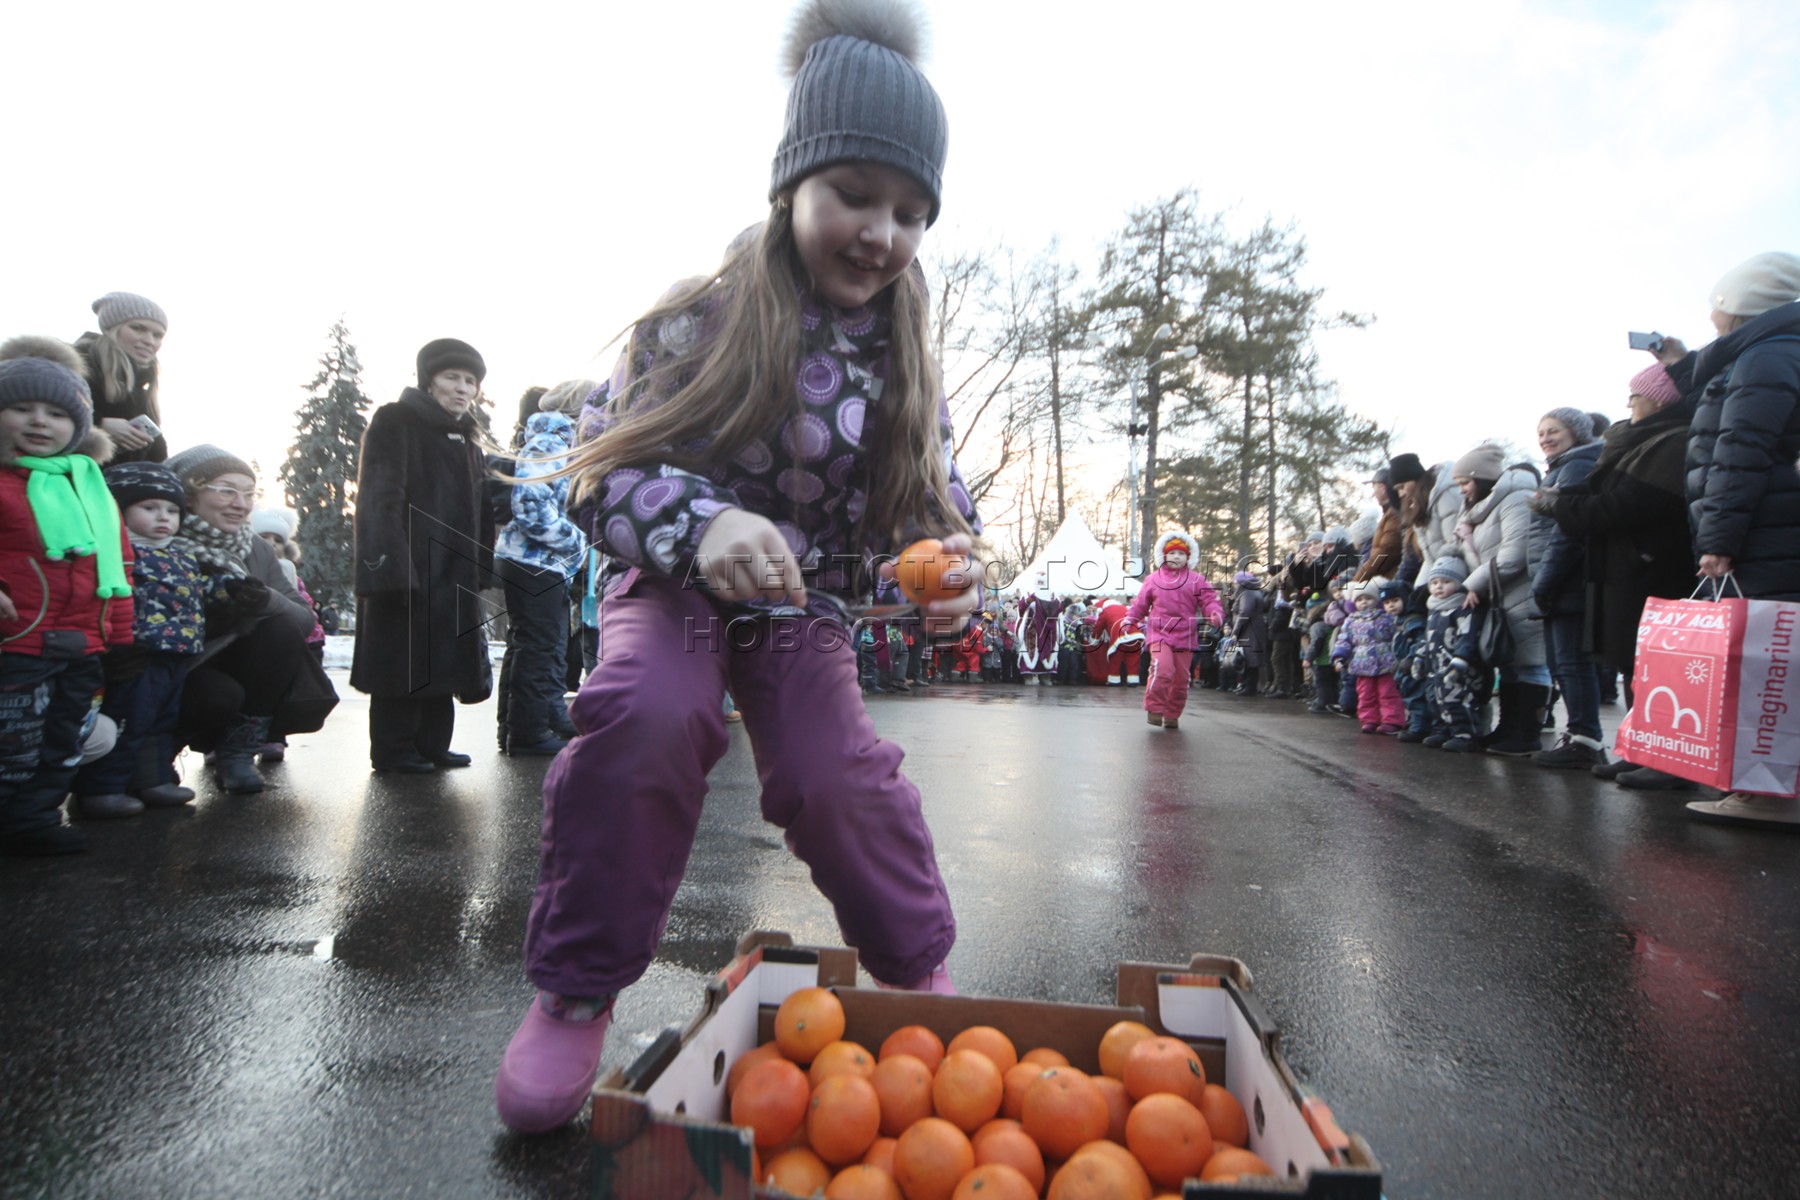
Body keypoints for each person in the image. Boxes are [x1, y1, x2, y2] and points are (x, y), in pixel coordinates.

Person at [493, 0, 981, 1134]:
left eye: (912, 212)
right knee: (647, 717)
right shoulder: (692, 323)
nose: (883, 234)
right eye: (855, 195)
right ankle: (576, 989)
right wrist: (700, 524)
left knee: (836, 772)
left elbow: (930, 507)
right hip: (673, 588)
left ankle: (919, 972)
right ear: (791, 186)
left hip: (797, 613)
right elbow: (597, 473)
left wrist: (948, 567)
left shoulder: (909, 358)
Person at [1657, 252, 1800, 825]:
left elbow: (1740, 451)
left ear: (1738, 307)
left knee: (1766, 663)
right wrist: (1680, 364)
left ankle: (1770, 793)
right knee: (1773, 658)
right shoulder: (1766, 353)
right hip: (1770, 526)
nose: (1711, 315)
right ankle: (1767, 786)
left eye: (1717, 305)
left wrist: (1718, 538)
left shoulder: (1766, 356)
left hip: (1764, 530)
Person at [0, 336, 133, 855]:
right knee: (13, 737)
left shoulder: (90, 486)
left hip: (81, 642)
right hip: (18, 640)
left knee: (63, 736)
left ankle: (34, 819)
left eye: (56, 413)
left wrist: (117, 634)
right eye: (20, 408)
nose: (39, 421)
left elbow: (118, 562)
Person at [1533, 363, 1697, 785]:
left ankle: (1667, 760)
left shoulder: (1672, 442)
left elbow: (1627, 505)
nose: (1629, 403)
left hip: (1651, 567)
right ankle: (1643, 750)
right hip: (1626, 568)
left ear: (1657, 399)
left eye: (1635, 394)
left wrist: (1557, 505)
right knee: (1633, 665)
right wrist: (1564, 499)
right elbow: (1606, 496)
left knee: (1653, 668)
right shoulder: (1639, 442)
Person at [351, 338, 494, 773]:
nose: (462, 388)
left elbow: (480, 510)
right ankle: (394, 750)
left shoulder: (469, 440)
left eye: (470, 381)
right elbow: (379, 495)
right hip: (408, 563)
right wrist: (387, 564)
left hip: (453, 569)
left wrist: (480, 566)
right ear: (429, 380)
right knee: (404, 658)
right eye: (452, 377)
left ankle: (432, 744)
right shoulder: (397, 421)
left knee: (442, 658)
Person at [165, 445, 332, 793]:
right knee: (217, 694)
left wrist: (262, 598)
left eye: (247, 494)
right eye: (226, 491)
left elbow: (303, 620)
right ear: (189, 492)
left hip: (243, 664)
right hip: (180, 665)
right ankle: (158, 749)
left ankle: (238, 751)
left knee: (281, 629)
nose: (240, 503)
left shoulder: (255, 547)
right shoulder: (160, 535)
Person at [71, 463, 209, 817]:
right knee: (127, 720)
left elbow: (195, 589)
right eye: (149, 508)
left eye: (172, 510)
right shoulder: (115, 553)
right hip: (138, 652)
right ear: (120, 510)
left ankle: (153, 778)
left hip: (177, 651)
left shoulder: (182, 553)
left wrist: (230, 590)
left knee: (162, 720)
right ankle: (102, 788)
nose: (163, 517)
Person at [493, 380, 591, 756]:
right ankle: (528, 732)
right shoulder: (551, 443)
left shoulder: (558, 443)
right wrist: (575, 542)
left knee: (532, 645)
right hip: (535, 562)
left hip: (540, 563)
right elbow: (530, 503)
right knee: (538, 645)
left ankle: (526, 720)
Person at [1454, 442, 1549, 756]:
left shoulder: (1515, 500)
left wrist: (1473, 585)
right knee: (1509, 665)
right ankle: (1508, 729)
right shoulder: (1482, 509)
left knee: (1531, 664)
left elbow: (1514, 554)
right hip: (1500, 595)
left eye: (1465, 483)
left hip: (1522, 593)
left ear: (1481, 479)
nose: (1462, 490)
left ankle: (1528, 734)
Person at [1527, 408, 1606, 769]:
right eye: (1541, 432)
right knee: (1561, 663)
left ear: (1575, 432)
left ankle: (1586, 740)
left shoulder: (1577, 466)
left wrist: (1544, 582)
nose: (1545, 438)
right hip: (1557, 578)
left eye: (1553, 430)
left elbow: (1568, 532)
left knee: (1572, 663)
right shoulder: (1561, 468)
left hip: (1567, 578)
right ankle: (1578, 735)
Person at [1124, 532, 1223, 730]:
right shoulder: (1153, 580)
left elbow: (1209, 601)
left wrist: (1215, 614)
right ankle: (1154, 708)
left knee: (1181, 679)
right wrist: (1130, 619)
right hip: (1159, 633)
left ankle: (1172, 714)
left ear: (1188, 557)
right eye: (1172, 553)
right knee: (1163, 669)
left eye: (1181, 553)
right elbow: (1140, 604)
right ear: (1164, 556)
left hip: (1186, 635)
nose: (1176, 557)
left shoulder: (1197, 580)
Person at [74, 293, 170, 465]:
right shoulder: (77, 367)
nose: (149, 341)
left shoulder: (143, 387)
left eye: (157, 335)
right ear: (111, 328)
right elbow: (42, 419)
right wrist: (98, 425)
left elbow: (158, 457)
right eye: (138, 328)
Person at [1421, 555, 1483, 751]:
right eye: (1435, 582)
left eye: (1446, 582)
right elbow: (1426, 638)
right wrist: (1418, 657)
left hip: (1454, 665)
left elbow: (1468, 636)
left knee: (1457, 698)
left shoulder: (1463, 608)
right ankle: (1443, 729)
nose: (1439, 587)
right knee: (1436, 699)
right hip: (1435, 667)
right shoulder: (1433, 610)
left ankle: (1466, 734)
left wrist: (1461, 660)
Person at [1336, 578, 1404, 734]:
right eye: (1360, 599)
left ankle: (1392, 720)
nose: (1364, 602)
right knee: (1366, 694)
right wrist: (1340, 656)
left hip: (1385, 661)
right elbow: (1344, 639)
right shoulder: (1351, 620)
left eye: (1368, 598)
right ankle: (1369, 719)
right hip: (1362, 663)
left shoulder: (1386, 617)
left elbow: (1396, 634)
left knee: (1388, 693)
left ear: (1376, 599)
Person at [1230, 569, 1270, 697]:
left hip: (1249, 630)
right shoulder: (1254, 591)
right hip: (1253, 628)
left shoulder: (1247, 593)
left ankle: (1249, 687)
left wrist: (1236, 631)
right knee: (1250, 659)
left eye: (1236, 582)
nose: (1234, 584)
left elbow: (1244, 612)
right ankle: (1247, 685)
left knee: (1250, 659)